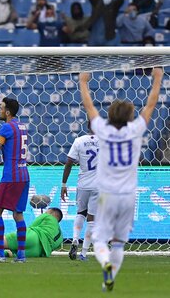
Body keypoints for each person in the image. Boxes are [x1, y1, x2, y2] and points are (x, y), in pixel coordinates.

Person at [78, 67, 163, 291]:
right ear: (130, 116)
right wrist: (157, 78)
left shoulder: (102, 130)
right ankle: (109, 279)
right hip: (128, 196)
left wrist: (83, 82)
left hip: (106, 195)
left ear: (111, 114)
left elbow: (89, 106)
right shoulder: (135, 130)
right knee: (118, 243)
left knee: (98, 239)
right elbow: (151, 105)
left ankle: (105, 265)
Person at [0, 97, 30, 263]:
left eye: (1, 108)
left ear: (7, 112)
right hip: (24, 176)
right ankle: (21, 255)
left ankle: (0, 253)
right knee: (18, 214)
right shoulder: (20, 126)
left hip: (11, 176)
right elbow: (5, 141)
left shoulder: (7, 128)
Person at [61, 121, 99, 261]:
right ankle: (83, 253)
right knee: (92, 219)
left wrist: (64, 184)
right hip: (98, 186)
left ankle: (75, 239)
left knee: (80, 213)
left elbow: (69, 162)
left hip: (83, 184)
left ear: (88, 127)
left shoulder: (79, 141)